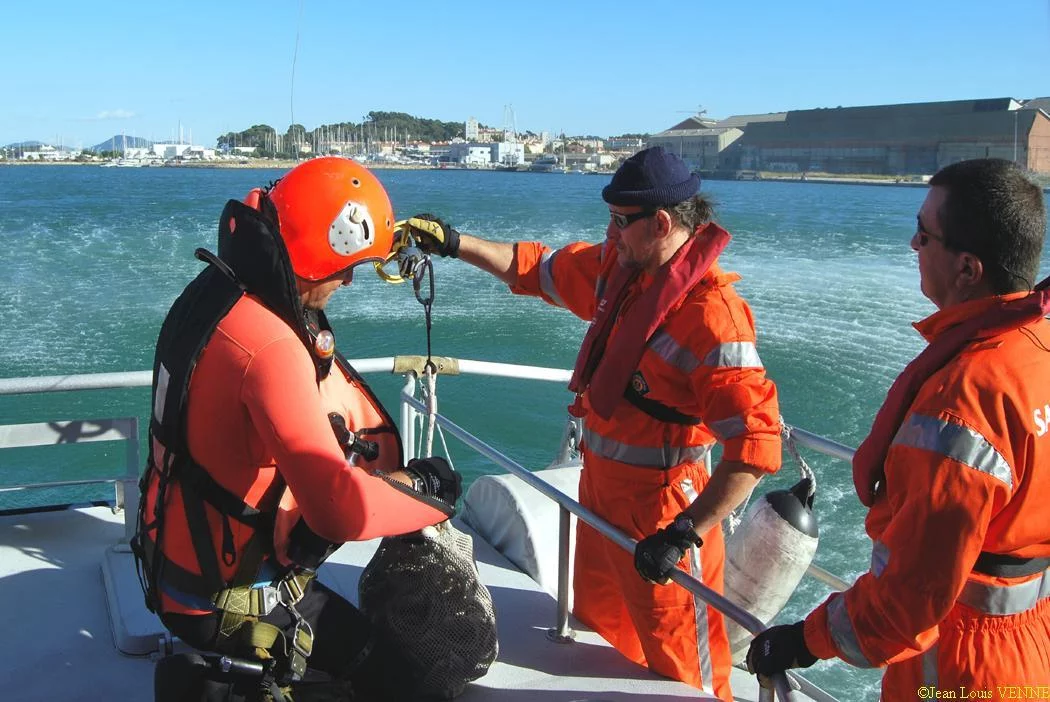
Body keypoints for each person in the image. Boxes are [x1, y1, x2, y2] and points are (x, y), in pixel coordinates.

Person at [404, 146, 782, 700]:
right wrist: (455, 243)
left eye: (619, 221)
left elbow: (755, 447)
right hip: (600, 498)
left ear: (661, 223)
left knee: (687, 672)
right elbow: (533, 267)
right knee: (603, 640)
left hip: (662, 515)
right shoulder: (622, 270)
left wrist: (683, 535)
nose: (610, 231)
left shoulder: (714, 320)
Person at [133, 156, 462, 702]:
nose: (351, 277)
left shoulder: (213, 293)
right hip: (227, 600)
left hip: (169, 561)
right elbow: (338, 509)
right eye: (346, 263)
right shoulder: (273, 346)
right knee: (405, 681)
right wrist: (427, 493)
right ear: (320, 248)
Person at [746, 158, 1050, 698]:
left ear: (967, 269)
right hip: (1033, 645)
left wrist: (803, 641)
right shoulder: (1037, 354)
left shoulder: (963, 399)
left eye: (924, 232)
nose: (913, 244)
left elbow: (911, 599)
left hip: (959, 666)